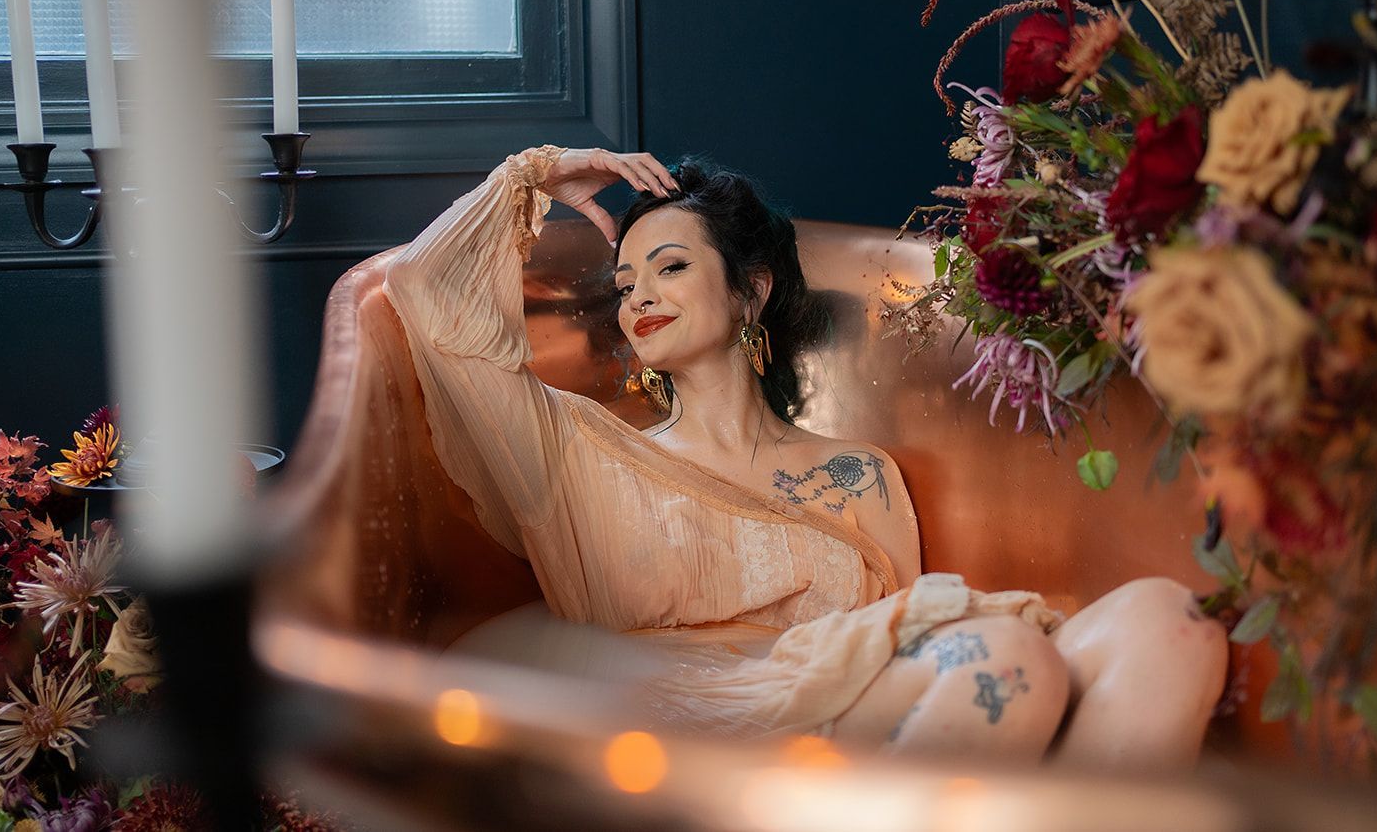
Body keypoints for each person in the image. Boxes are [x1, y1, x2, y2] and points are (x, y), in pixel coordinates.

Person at [384, 145, 1228, 767]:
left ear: (751, 289)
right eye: (626, 279)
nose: (637, 293)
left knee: (1170, 626)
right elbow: (425, 293)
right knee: (1004, 661)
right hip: (702, 740)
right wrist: (534, 174)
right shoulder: (570, 453)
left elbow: (900, 644)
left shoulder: (861, 474)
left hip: (870, 723)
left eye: (669, 265)